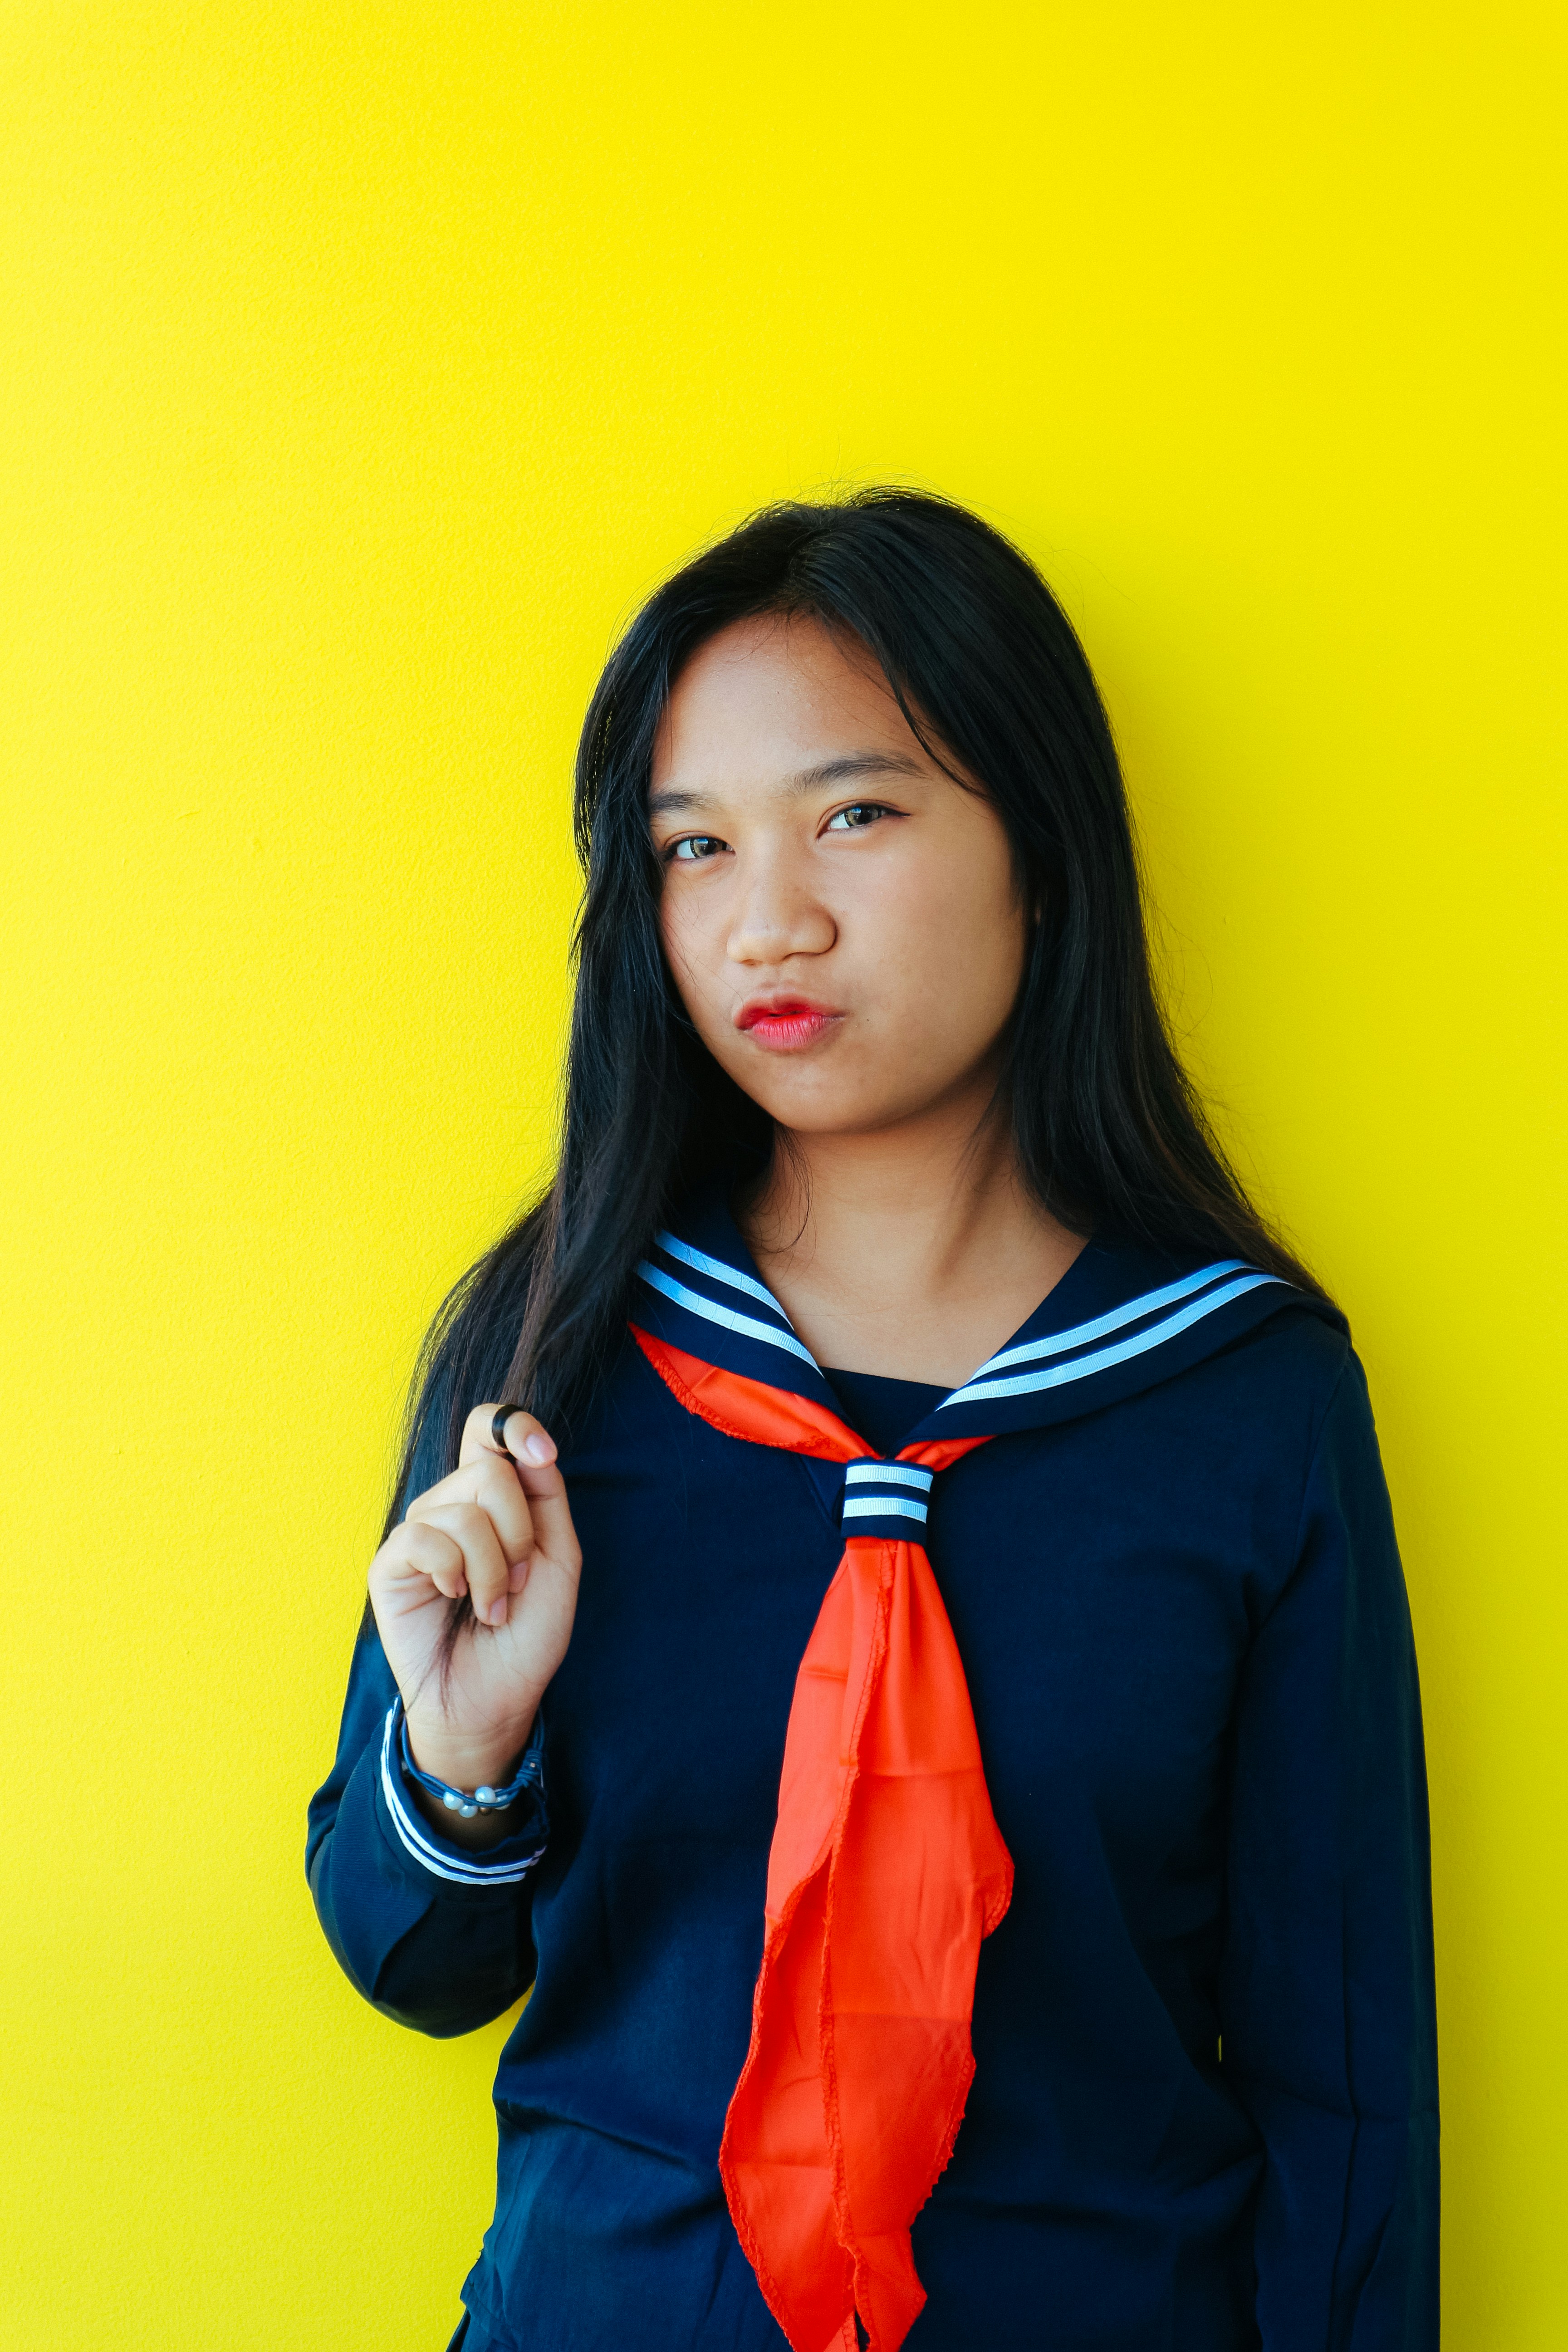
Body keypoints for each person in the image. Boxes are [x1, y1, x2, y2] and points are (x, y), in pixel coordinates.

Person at [306, 490, 1438, 2352]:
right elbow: (413, 1960)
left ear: (1041, 849)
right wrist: (461, 1765)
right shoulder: (554, 1358)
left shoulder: (1248, 1400)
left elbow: (1345, 2085)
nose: (772, 922)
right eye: (692, 849)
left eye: (856, 814)